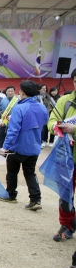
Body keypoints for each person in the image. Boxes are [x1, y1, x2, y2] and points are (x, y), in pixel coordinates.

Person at [0, 81, 48, 210]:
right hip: (34, 146)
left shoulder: (19, 108)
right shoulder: (42, 107)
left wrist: (5, 146)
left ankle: (11, 195)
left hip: (17, 147)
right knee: (30, 173)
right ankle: (35, 199)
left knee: (12, 172)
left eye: (20, 91)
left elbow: (13, 131)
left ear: (23, 93)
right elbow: (44, 123)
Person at [47, 70, 76, 242]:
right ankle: (67, 224)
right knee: (65, 194)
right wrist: (57, 127)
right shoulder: (65, 101)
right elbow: (52, 121)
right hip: (66, 157)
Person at [0, 86, 17, 150]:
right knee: (0, 137)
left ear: (14, 92)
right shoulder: (2, 100)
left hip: (13, 123)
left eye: (12, 91)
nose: (10, 92)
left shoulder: (17, 101)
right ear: (6, 92)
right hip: (3, 122)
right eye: (9, 91)